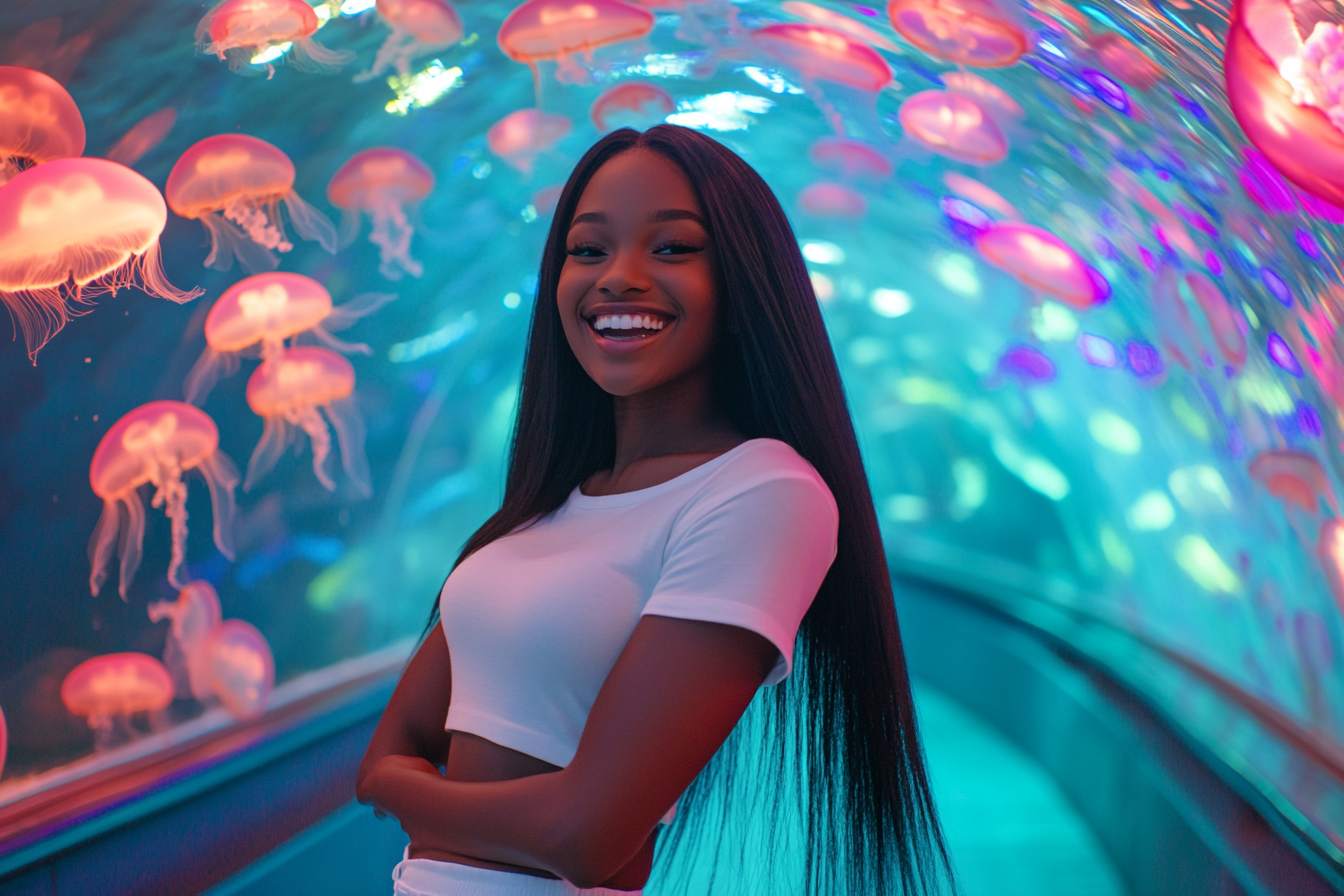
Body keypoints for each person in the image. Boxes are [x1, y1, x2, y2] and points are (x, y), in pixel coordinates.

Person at [356, 124, 950, 896]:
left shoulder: (765, 492)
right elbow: (390, 747)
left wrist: (401, 794)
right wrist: (412, 788)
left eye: (672, 248)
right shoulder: (549, 504)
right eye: (588, 250)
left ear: (743, 286)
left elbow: (583, 836)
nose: (619, 278)